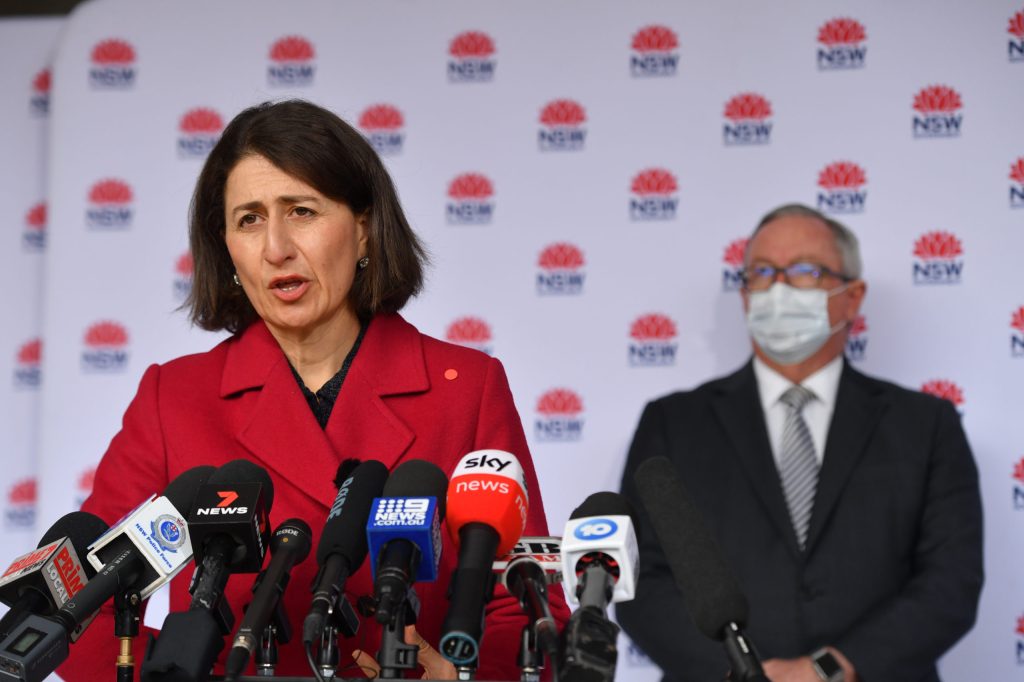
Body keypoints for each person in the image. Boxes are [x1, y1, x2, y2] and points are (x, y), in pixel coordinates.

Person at [60, 99, 567, 681]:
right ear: (225, 247)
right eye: (249, 219)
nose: (276, 247)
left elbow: (529, 605)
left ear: (364, 227)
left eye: (301, 210)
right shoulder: (173, 397)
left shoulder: (465, 387)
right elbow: (83, 608)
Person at [616, 204, 983, 682]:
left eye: (805, 271)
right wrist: (743, 672)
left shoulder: (926, 424)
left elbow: (950, 582)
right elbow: (637, 578)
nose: (779, 289)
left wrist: (830, 668)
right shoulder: (673, 422)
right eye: (762, 272)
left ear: (852, 297)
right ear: (745, 295)